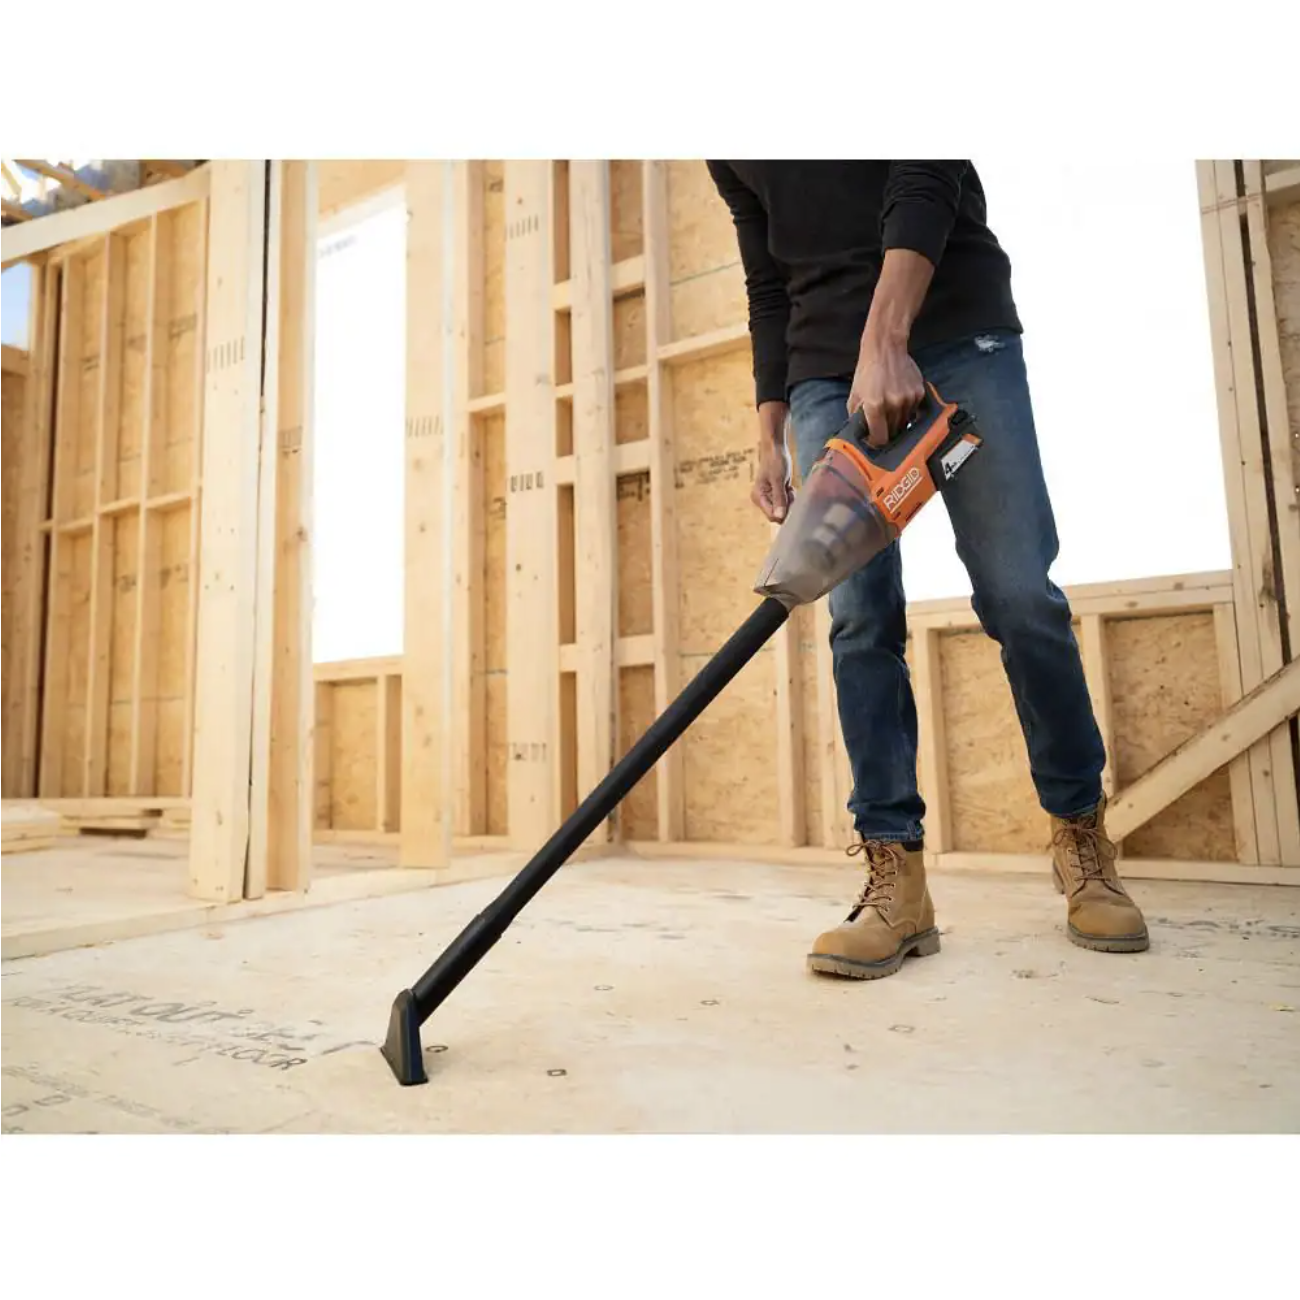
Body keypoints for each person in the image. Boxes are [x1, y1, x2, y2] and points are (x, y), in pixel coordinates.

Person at [706, 161, 1149, 978]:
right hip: (824, 368)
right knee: (859, 621)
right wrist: (770, 431)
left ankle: (1082, 838)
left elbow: (925, 173)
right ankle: (896, 877)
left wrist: (887, 343)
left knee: (1019, 595)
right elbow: (768, 281)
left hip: (955, 324)